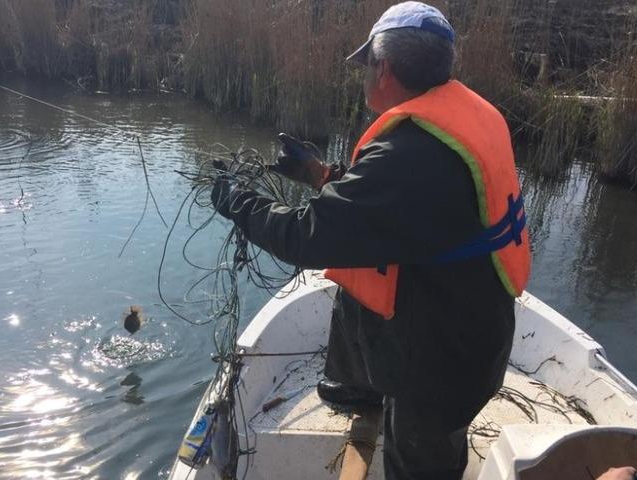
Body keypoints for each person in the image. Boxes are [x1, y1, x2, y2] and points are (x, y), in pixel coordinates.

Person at [211, 2, 530, 478]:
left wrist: (237, 202)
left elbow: (307, 237)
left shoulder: (409, 152)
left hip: (444, 360)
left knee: (419, 462)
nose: (362, 76)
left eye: (365, 66)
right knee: (358, 270)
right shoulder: (459, 119)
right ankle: (360, 385)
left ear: (383, 68)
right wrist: (320, 175)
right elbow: (402, 209)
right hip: (467, 318)